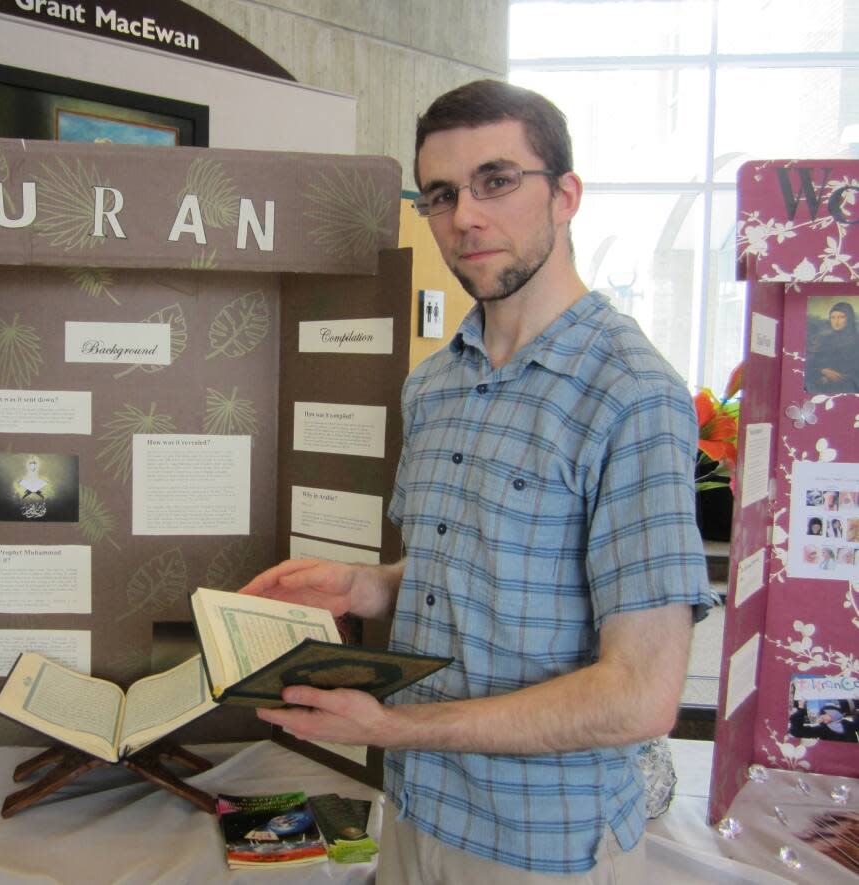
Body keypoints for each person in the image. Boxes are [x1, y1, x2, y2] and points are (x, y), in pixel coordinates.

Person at [239, 79, 715, 882]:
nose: (465, 217)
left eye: (497, 181)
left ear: (566, 195)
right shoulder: (434, 386)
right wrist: (367, 586)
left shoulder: (631, 393)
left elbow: (639, 694)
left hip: (542, 847)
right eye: (441, 194)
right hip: (417, 811)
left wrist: (395, 728)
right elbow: (470, 571)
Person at [806, 301, 859, 393]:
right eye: (833, 317)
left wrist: (840, 378)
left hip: (849, 388)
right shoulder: (824, 340)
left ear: (849, 319)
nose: (836, 321)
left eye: (841, 317)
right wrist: (823, 371)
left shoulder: (857, 340)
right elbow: (811, 364)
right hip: (823, 387)